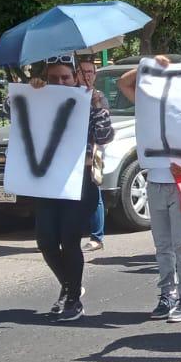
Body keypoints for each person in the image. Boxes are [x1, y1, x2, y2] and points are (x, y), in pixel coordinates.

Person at [116, 55, 181, 323]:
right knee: (162, 245)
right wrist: (148, 65)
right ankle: (168, 295)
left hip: (180, 185)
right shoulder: (148, 106)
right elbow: (123, 83)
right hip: (155, 182)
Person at [26, 58, 115, 323]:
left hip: (80, 181)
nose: (60, 83)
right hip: (48, 181)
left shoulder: (91, 99)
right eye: (53, 78)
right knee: (46, 241)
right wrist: (32, 89)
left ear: (75, 77)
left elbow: (105, 136)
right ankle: (68, 284)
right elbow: (11, 108)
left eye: (65, 78)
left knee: (69, 239)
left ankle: (74, 299)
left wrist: (96, 105)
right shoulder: (40, 97)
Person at [77, 56, 109, 253]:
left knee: (93, 195)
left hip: (92, 154)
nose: (86, 75)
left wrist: (95, 103)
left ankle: (97, 237)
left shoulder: (99, 96)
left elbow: (103, 127)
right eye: (83, 72)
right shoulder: (70, 94)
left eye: (90, 72)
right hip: (72, 156)